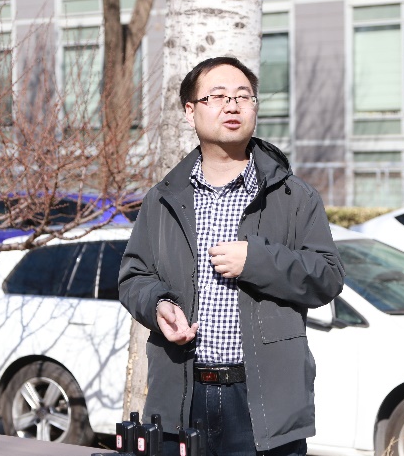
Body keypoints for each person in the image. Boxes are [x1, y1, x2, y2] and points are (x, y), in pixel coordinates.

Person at [118, 56, 345, 456]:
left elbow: (327, 276)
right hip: (183, 395)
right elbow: (133, 276)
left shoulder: (293, 196)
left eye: (243, 96)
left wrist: (257, 262)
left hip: (262, 401)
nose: (233, 105)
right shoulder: (163, 198)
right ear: (190, 111)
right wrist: (157, 305)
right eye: (218, 96)